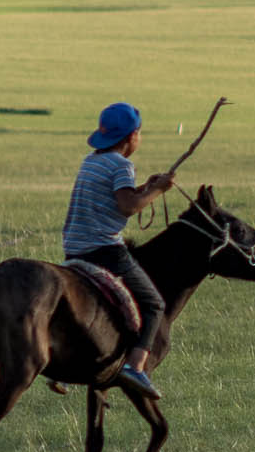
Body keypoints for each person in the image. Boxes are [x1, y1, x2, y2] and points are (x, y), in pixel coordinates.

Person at [63, 101, 175, 402]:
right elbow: (127, 206)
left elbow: (117, 197)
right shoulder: (122, 165)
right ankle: (135, 367)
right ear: (131, 138)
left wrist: (145, 187)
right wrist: (158, 191)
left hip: (74, 249)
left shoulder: (92, 160)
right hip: (103, 250)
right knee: (153, 304)